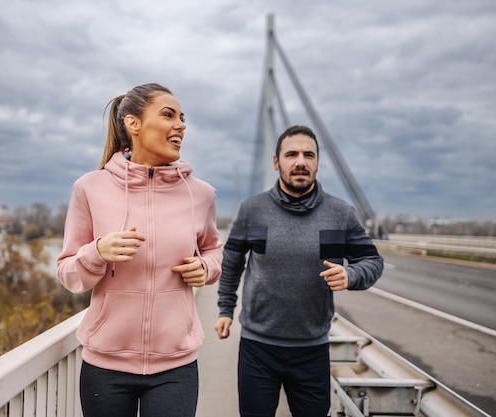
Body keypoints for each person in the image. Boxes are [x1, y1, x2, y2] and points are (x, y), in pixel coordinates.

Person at [57, 83, 223, 417]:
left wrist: (205, 267)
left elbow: (215, 250)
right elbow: (67, 273)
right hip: (106, 366)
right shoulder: (90, 188)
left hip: (175, 367)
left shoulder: (201, 194)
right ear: (134, 124)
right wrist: (97, 252)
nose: (181, 125)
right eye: (168, 115)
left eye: (182, 118)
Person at [215, 124, 384, 417]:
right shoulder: (253, 210)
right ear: (276, 162)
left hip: (312, 349)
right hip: (258, 348)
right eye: (291, 154)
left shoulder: (340, 213)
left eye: (309, 155)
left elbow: (372, 262)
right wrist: (225, 309)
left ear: (318, 163)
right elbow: (232, 260)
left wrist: (351, 275)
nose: (300, 162)